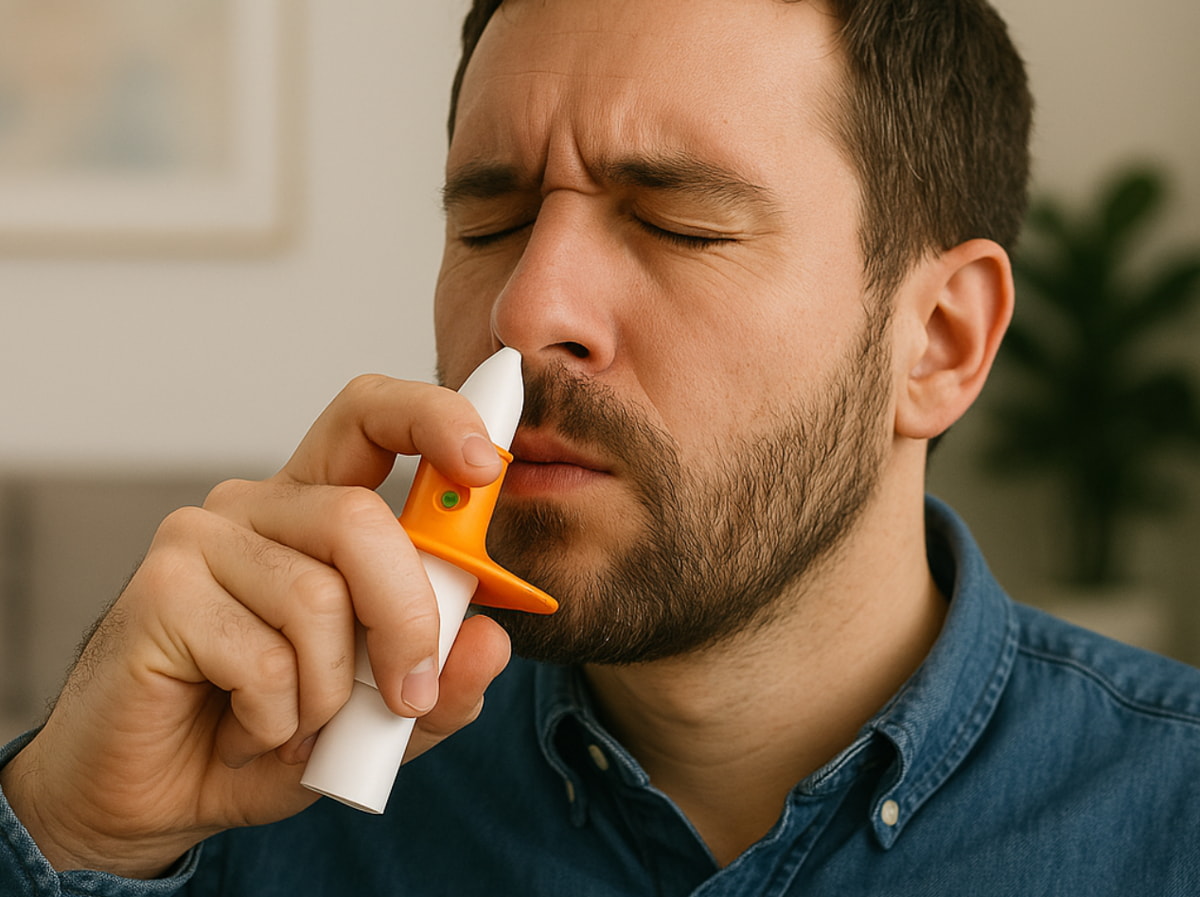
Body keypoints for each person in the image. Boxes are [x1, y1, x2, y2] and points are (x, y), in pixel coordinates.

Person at [3, 0, 1199, 893]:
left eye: (678, 224)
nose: (527, 312)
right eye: (492, 219)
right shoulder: (258, 802)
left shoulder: (1172, 820)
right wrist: (72, 833)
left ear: (938, 342)